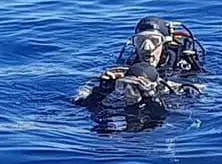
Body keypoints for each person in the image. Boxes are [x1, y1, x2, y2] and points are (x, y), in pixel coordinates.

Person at [72, 16, 206, 112]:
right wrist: (101, 90)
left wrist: (157, 90)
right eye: (140, 41)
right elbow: (77, 101)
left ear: (165, 43)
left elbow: (199, 96)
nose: (146, 47)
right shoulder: (127, 64)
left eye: (154, 41)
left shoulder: (182, 65)